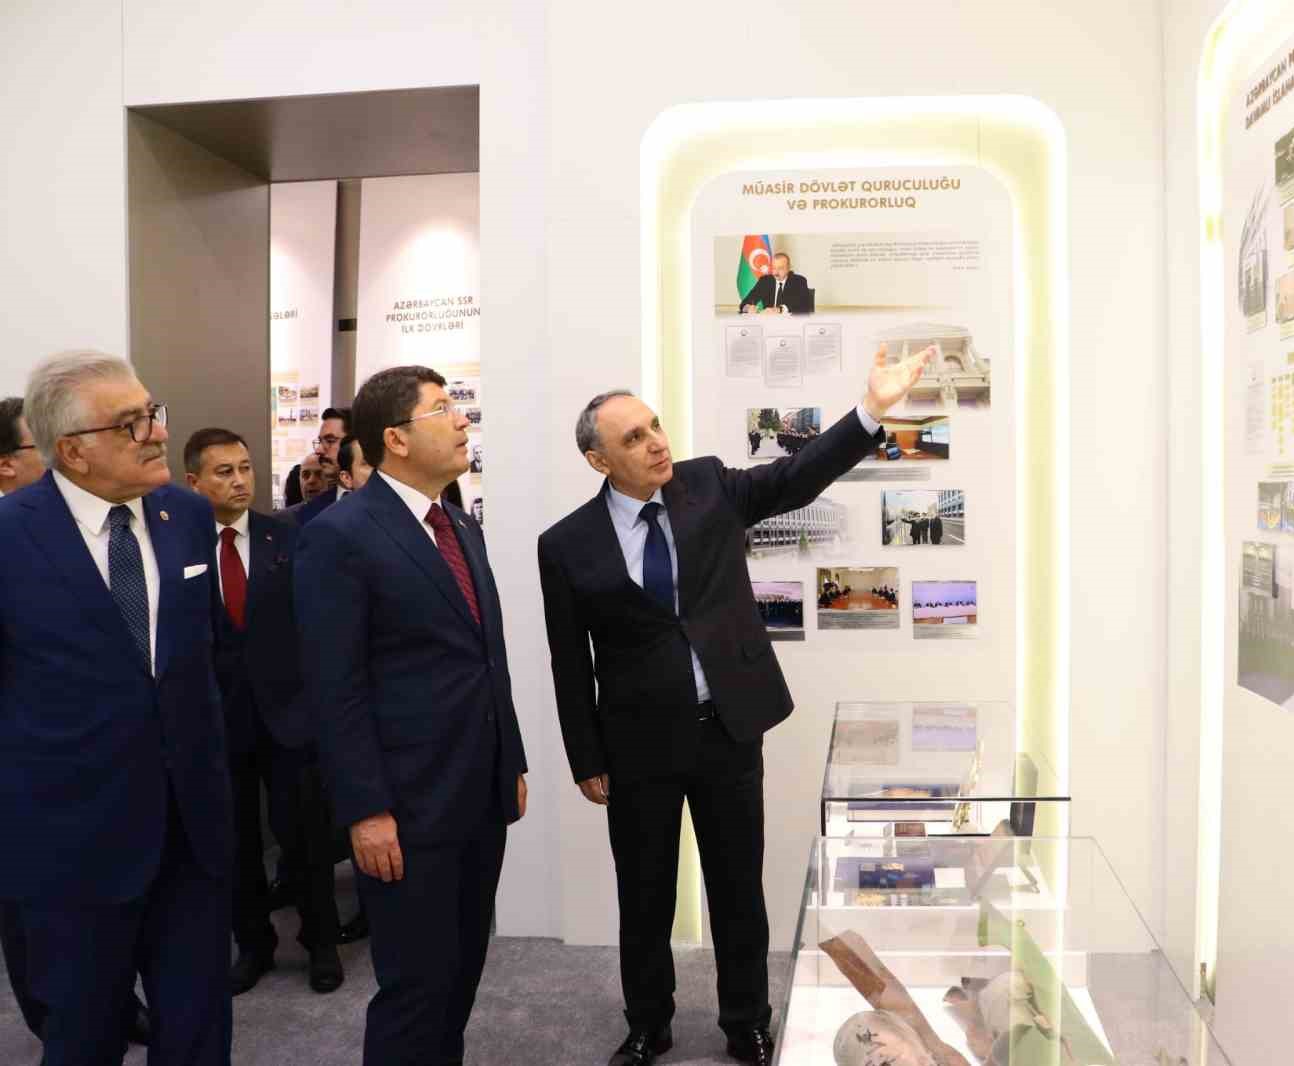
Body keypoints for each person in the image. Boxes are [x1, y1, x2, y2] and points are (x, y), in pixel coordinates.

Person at [538, 341, 933, 1066]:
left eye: (656, 426)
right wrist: (585, 756)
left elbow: (794, 476)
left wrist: (870, 410)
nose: (656, 443)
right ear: (598, 460)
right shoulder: (565, 545)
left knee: (737, 891)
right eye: (634, 438)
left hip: (727, 729)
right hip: (637, 746)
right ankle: (648, 1023)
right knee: (645, 896)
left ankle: (746, 1019)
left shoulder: (708, 485)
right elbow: (569, 661)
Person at [0, 351, 231, 1063]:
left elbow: (209, 661)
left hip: (191, 834)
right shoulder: (9, 537)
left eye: (151, 413)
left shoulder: (187, 515)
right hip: (71, 847)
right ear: (73, 450)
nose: (158, 433)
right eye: (132, 423)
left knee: (198, 1032)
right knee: (83, 1036)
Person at [296, 365, 528, 1065]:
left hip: (477, 791)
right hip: (405, 805)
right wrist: (365, 810)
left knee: (460, 972)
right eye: (442, 409)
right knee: (415, 988)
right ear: (395, 439)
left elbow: (487, 655)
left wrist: (510, 759)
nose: (462, 420)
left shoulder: (458, 523)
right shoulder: (341, 535)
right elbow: (335, 688)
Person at [1, 394, 154, 1052]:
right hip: (32, 794)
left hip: (118, 787)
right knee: (43, 939)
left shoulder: (119, 530)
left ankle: (114, 1003)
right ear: (9, 465)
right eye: (39, 449)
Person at [183, 427, 345, 996]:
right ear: (194, 482)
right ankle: (253, 943)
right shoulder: (179, 547)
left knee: (306, 838)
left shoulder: (289, 535)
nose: (239, 480)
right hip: (218, 720)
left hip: (290, 716)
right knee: (234, 843)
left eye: (245, 468)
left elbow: (319, 624)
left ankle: (321, 942)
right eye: (224, 471)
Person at [738, 253, 814, 315]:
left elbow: (804, 306)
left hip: (791, 324)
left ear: (788, 268)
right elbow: (745, 303)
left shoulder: (799, 281)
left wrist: (779, 309)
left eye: (780, 268)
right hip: (768, 324)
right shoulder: (765, 281)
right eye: (774, 268)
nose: (776, 273)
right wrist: (748, 308)